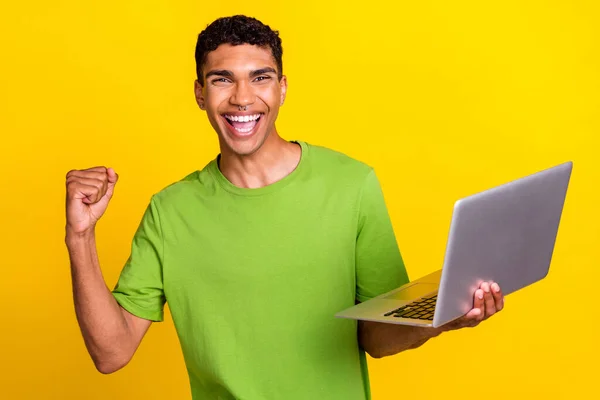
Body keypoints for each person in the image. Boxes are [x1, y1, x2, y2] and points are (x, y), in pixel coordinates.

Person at [64, 15, 504, 400]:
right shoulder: (169, 211)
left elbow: (377, 336)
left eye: (260, 77)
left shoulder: (352, 184)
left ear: (282, 87)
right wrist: (80, 237)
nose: (242, 97)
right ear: (200, 93)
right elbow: (111, 352)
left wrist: (443, 318)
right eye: (222, 79)